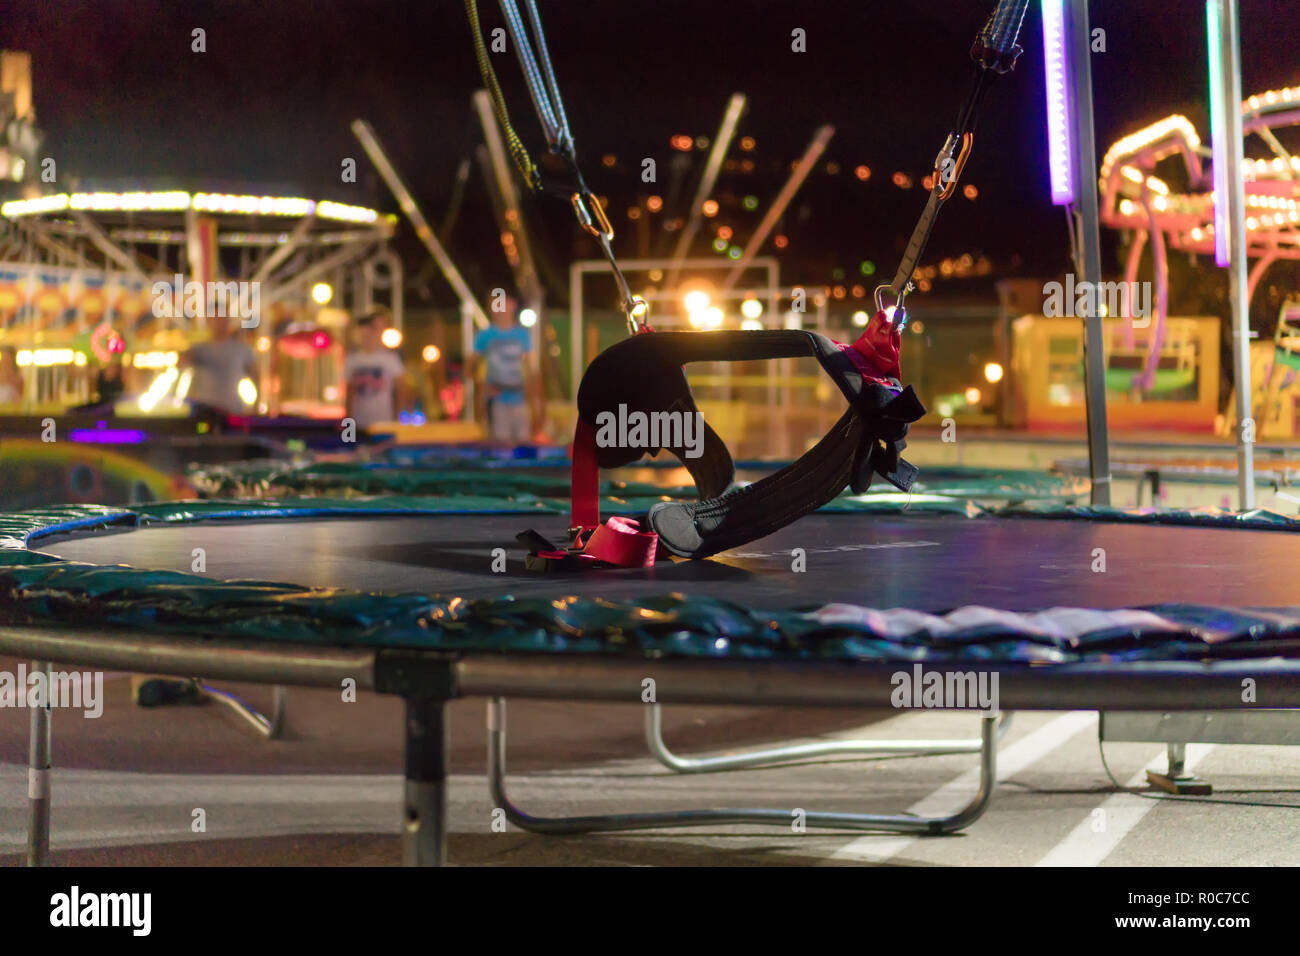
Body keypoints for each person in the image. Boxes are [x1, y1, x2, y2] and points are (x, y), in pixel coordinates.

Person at [470, 293, 541, 443]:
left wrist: (536, 404)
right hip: (497, 400)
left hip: (520, 398)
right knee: (500, 444)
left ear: (513, 304)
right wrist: (482, 386)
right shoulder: (485, 335)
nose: (498, 309)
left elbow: (531, 370)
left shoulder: (522, 335)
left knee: (524, 443)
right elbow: (469, 366)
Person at [343, 309, 410, 429]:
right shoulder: (352, 359)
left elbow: (401, 389)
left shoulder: (390, 358)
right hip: (359, 424)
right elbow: (349, 393)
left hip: (383, 423)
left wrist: (396, 420)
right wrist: (349, 426)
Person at [181, 314, 257, 414]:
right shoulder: (200, 350)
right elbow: (182, 362)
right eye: (215, 318)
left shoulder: (241, 349)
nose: (219, 322)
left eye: (222, 318)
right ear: (209, 321)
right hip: (204, 410)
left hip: (232, 410)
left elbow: (254, 375)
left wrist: (254, 406)